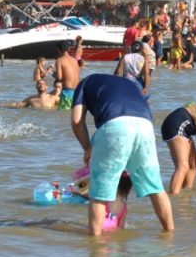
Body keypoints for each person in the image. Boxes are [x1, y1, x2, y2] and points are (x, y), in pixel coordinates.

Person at [69, 73, 174, 236]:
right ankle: (170, 234)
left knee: (99, 192)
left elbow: (76, 121)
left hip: (115, 126)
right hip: (146, 126)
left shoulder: (85, 83)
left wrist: (87, 148)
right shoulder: (129, 84)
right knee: (156, 187)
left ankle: (95, 244)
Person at [54, 41, 80, 110]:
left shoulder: (59, 60)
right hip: (77, 92)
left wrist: (54, 75)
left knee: (63, 117)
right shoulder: (75, 60)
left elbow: (59, 77)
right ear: (68, 49)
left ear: (59, 50)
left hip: (67, 92)